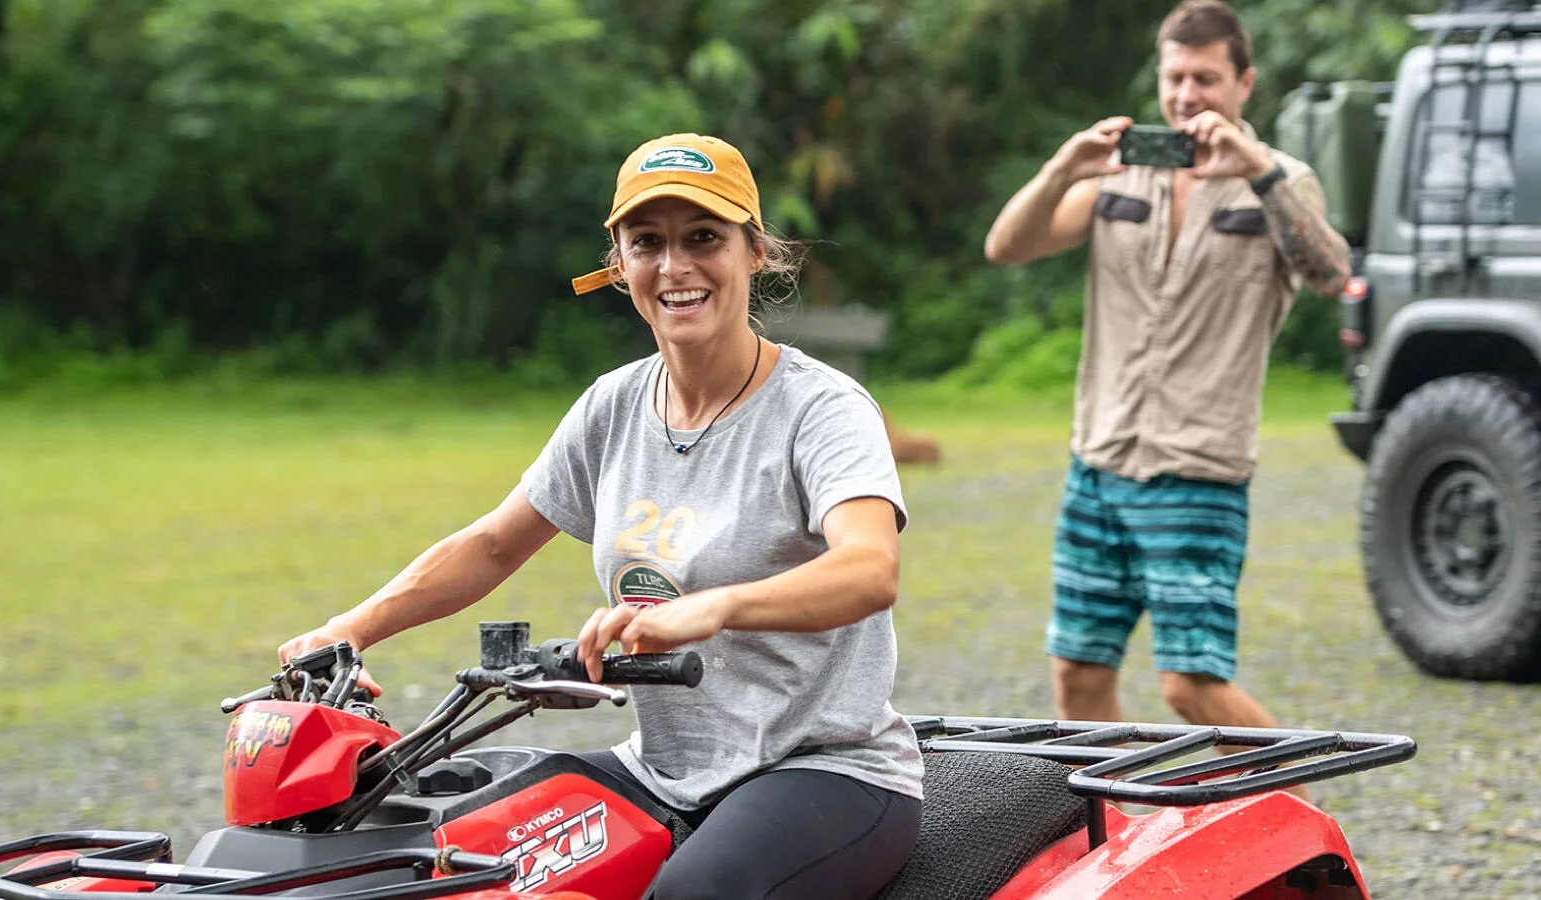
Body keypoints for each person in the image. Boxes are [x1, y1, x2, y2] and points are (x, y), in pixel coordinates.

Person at [278, 133, 922, 899]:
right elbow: (491, 546)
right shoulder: (613, 405)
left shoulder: (820, 409)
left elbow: (868, 569)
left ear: (755, 252)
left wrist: (711, 610)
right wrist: (348, 630)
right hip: (662, 768)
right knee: (456, 857)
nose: (674, 267)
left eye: (703, 238)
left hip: (826, 767)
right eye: (647, 242)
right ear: (619, 266)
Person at [981, 0, 1350, 780]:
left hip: (1198, 471)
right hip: (1099, 463)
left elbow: (1330, 271)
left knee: (1190, 686)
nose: (1189, 95)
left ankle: (1309, 831)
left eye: (1207, 78)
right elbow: (1006, 247)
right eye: (1176, 77)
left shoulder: (1283, 181)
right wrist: (1060, 170)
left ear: (1244, 83)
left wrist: (1259, 170)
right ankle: (1126, 833)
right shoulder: (1125, 173)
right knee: (1077, 678)